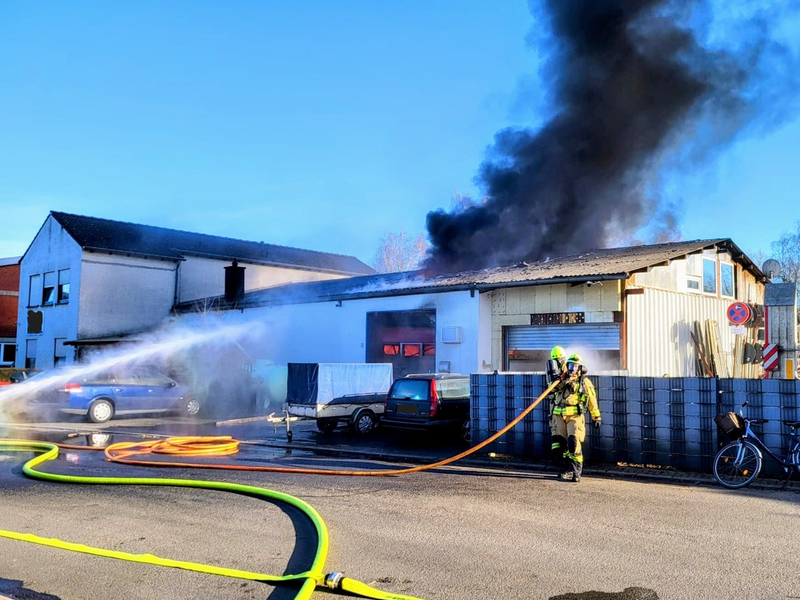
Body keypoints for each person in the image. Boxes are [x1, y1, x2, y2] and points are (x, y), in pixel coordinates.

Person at [551, 353, 601, 482]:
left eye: (575, 366)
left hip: (575, 417)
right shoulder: (560, 381)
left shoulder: (584, 382)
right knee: (562, 445)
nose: (572, 369)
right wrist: (559, 380)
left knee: (573, 443)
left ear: (580, 368)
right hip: (559, 417)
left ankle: (576, 471)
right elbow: (551, 391)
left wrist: (596, 417)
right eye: (570, 366)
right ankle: (565, 469)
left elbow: (592, 400)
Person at [546, 346, 569, 478]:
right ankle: (559, 457)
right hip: (557, 402)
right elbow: (553, 387)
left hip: (557, 403)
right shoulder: (552, 368)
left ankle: (559, 457)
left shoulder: (554, 367)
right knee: (558, 430)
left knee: (557, 430)